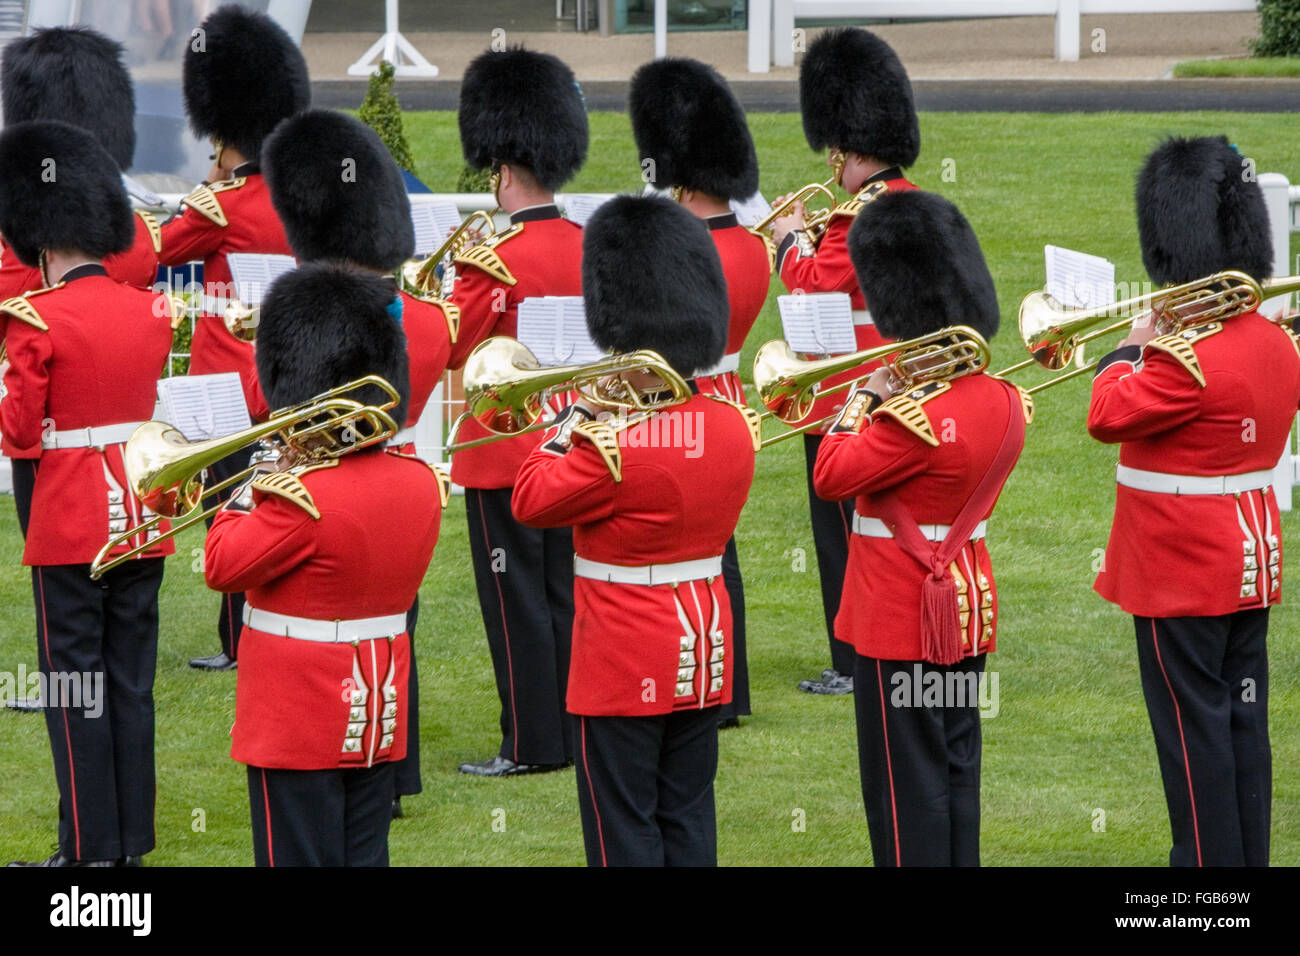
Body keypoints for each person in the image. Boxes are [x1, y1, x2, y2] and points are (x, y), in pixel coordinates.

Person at [513, 195, 757, 866]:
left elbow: (531, 497)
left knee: (622, 830)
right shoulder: (731, 424)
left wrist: (577, 412)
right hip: (703, 644)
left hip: (624, 655)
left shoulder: (614, 444)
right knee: (686, 817)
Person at [1087, 136, 1300, 867]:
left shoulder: (1184, 360)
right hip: (1249, 558)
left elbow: (1106, 416)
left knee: (1191, 731)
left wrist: (1132, 346)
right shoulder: (1275, 342)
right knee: (1242, 719)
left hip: (1181, 565)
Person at [203, 263, 443, 867]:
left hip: (298, 717)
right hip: (376, 708)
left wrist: (248, 485)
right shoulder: (417, 483)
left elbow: (223, 564)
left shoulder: (298, 499)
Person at [813, 190, 1027, 866]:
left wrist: (864, 396)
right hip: (966, 605)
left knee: (905, 786)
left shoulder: (910, 416)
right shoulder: (1004, 400)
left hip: (900, 613)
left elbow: (832, 472)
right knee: (956, 762)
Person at [262, 107, 457, 816]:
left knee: (337, 630)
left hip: (337, 482)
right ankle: (386, 765)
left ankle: (364, 762)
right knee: (391, 626)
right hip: (405, 485)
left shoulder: (336, 321)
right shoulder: (429, 317)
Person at [0, 121, 176, 867]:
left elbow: (19, 435)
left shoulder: (35, 319)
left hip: (71, 519)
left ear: (41, 241)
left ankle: (87, 851)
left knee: (76, 687)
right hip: (141, 510)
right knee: (130, 682)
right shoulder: (150, 311)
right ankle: (133, 841)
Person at [0, 25, 166, 714]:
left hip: (52, 397)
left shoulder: (40, 238)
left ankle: (68, 667)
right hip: (114, 416)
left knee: (58, 550)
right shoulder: (122, 225)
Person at [448, 46, 588, 777]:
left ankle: (528, 743)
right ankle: (569, 731)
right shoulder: (587, 244)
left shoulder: (492, 257)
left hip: (500, 452)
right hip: (570, 444)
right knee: (564, 594)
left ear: (503, 169)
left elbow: (452, 347)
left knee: (514, 607)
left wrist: (452, 278)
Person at [156, 5, 310, 671]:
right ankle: (261, 625)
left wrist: (205, 188)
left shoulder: (220, 206)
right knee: (274, 493)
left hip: (224, 384)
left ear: (223, 132)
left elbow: (156, 251)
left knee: (229, 506)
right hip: (284, 373)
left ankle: (234, 638)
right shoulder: (295, 197)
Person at [769, 28, 921, 695]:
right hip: (906, 386)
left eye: (838, 151)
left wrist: (784, 241)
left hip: (845, 394)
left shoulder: (855, 216)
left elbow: (813, 282)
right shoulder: (914, 199)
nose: (832, 162)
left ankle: (852, 658)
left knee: (840, 535)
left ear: (856, 149)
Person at [628, 56, 771, 729]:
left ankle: (704, 686)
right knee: (722, 549)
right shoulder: (753, 246)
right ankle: (730, 687)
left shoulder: (683, 250)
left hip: (683, 406)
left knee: (685, 556)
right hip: (733, 402)